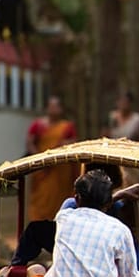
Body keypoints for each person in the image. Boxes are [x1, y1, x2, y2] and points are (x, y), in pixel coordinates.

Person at [9, 163, 139, 268]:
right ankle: (14, 269)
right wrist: (118, 196)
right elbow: (63, 231)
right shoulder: (72, 207)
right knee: (36, 230)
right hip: (78, 253)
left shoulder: (119, 211)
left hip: (107, 257)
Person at [25, 96, 78, 225]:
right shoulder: (38, 125)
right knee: (40, 199)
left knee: (60, 199)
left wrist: (62, 145)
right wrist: (39, 159)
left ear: (61, 109)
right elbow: (30, 142)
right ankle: (38, 225)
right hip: (42, 169)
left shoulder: (67, 127)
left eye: (56, 106)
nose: (53, 109)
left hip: (60, 170)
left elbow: (74, 142)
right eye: (51, 106)